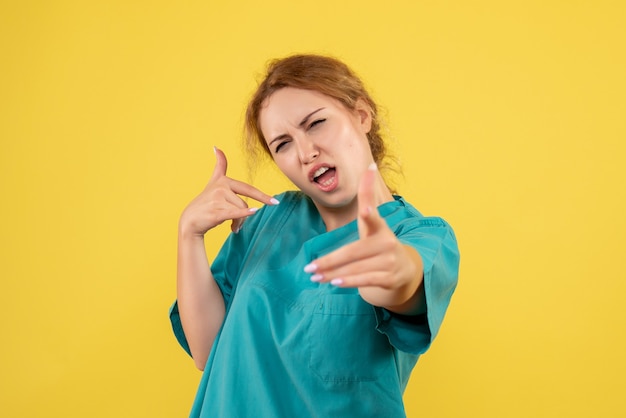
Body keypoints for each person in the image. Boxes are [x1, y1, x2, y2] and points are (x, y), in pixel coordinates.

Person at [170, 54, 460, 417]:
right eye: (283, 144)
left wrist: (393, 269)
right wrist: (189, 234)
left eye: (316, 123)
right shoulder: (267, 222)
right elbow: (208, 349)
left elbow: (404, 284)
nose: (306, 152)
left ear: (362, 115)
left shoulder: (418, 235)